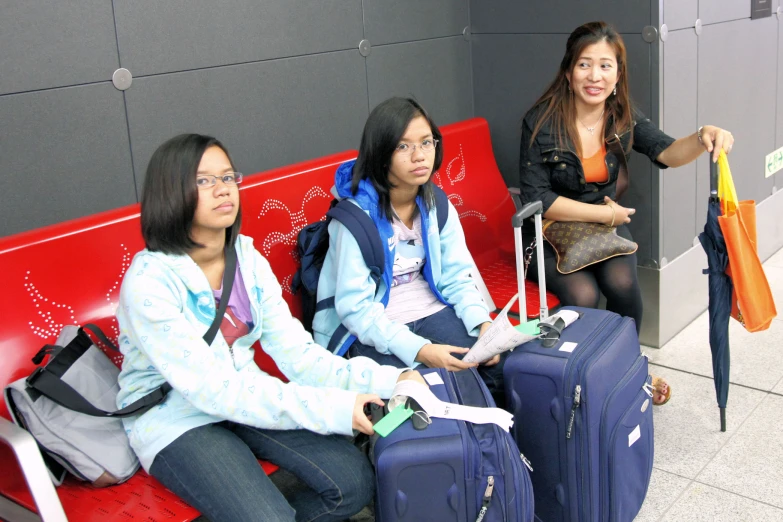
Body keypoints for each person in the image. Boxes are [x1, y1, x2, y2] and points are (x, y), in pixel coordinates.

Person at [116, 133, 425, 522]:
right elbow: (212, 391)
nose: (223, 190)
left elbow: (300, 356)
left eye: (228, 178)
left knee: (354, 483)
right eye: (204, 181)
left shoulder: (245, 257)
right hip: (175, 418)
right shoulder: (149, 282)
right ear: (170, 191)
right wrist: (337, 408)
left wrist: (392, 380)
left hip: (244, 393)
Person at [518, 21, 734, 406]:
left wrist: (703, 135)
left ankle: (628, 369)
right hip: (549, 232)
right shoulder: (541, 122)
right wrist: (604, 216)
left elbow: (667, 151)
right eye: (585, 65)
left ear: (618, 75)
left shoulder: (621, 116)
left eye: (605, 66)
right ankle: (581, 382)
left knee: (622, 284)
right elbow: (540, 198)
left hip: (603, 227)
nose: (594, 76)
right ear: (568, 72)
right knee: (582, 294)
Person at [312, 97, 507, 407]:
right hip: (371, 325)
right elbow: (356, 311)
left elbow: (457, 277)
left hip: (427, 308)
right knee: (435, 391)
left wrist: (482, 324)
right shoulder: (355, 220)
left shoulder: (436, 205)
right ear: (380, 154)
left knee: (494, 368)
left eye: (426, 142)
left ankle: (498, 451)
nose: (419, 156)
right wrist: (421, 350)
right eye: (403, 147)